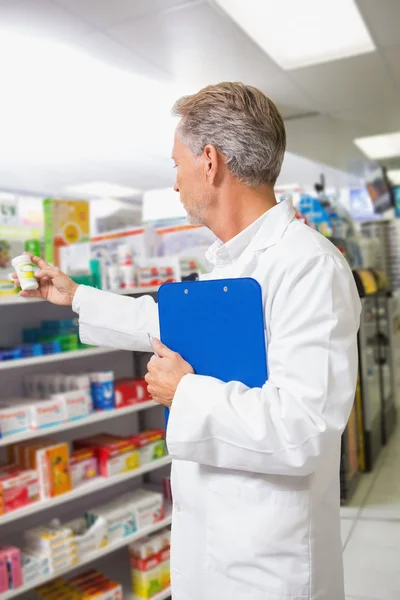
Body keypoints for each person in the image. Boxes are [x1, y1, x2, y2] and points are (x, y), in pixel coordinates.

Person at [14, 82, 361, 600]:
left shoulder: (308, 266)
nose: (175, 182)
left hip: (269, 564)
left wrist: (185, 392)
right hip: (213, 551)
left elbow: (305, 428)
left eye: (176, 164)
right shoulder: (232, 261)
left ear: (210, 161)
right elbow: (168, 325)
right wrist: (76, 296)